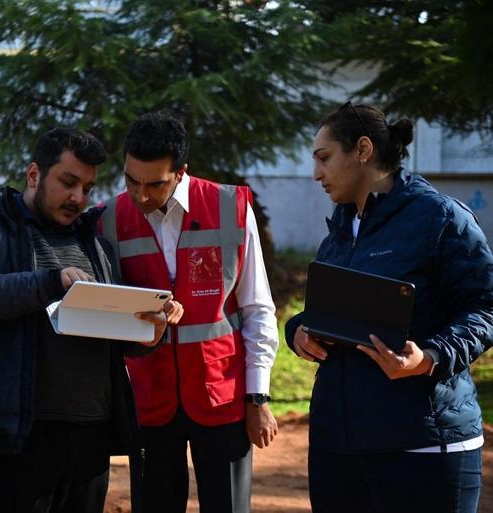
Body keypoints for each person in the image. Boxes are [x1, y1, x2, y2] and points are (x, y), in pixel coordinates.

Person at [0, 127, 181, 513]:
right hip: (16, 438)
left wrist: (147, 334)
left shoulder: (94, 242)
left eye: (87, 188)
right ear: (34, 175)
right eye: (68, 183)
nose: (78, 198)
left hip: (91, 441)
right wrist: (50, 282)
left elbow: (111, 330)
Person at [286, 102, 493, 513]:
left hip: (425, 444)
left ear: (363, 149)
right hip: (338, 447)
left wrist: (430, 357)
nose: (316, 174)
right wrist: (298, 332)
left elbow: (485, 305)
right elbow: (330, 310)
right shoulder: (340, 231)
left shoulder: (440, 217)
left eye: (324, 158)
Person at [99, 112, 279, 513]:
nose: (140, 195)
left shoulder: (231, 208)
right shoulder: (107, 218)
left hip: (223, 395)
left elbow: (257, 308)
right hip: (149, 398)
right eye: (131, 180)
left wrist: (258, 396)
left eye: (155, 183)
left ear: (181, 172)